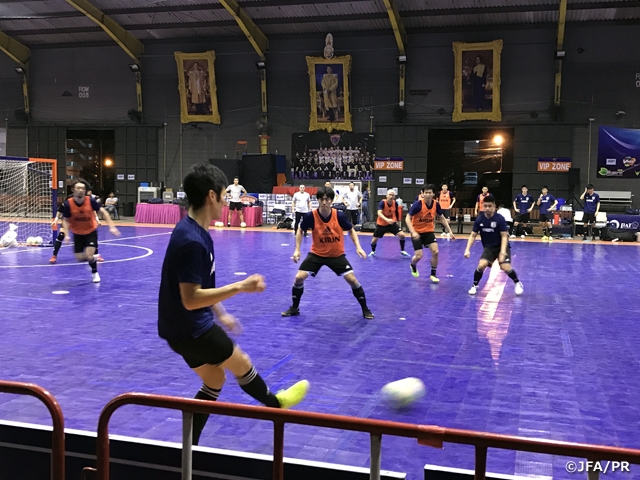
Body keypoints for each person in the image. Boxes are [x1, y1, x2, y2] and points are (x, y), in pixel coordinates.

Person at [158, 163, 309, 446]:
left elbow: (201, 287)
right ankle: (277, 404)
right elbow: (190, 299)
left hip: (175, 329)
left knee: (214, 380)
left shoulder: (195, 231)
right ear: (211, 196)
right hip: (192, 328)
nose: (228, 201)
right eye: (225, 194)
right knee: (242, 364)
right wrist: (240, 286)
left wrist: (221, 312)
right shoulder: (192, 240)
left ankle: (189, 444)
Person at [281, 186, 374, 319]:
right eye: (322, 199)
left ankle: (365, 309)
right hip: (317, 254)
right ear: (318, 200)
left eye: (327, 199)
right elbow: (300, 230)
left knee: (352, 280)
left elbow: (351, 230)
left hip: (336, 254)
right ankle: (295, 308)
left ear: (332, 200)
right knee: (298, 278)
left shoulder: (339, 215)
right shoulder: (311, 216)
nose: (324, 202)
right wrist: (297, 250)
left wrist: (358, 247)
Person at [463, 195, 524, 296]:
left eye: (489, 206)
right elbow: (473, 235)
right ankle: (474, 285)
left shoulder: (499, 219)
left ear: (494, 206)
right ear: (482, 206)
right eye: (485, 206)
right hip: (489, 248)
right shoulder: (479, 219)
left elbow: (504, 236)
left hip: (502, 246)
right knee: (481, 265)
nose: (487, 208)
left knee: (505, 267)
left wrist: (503, 252)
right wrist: (467, 249)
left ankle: (517, 283)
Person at [61, 180, 120, 282]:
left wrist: (111, 226)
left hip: (90, 231)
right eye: (78, 188)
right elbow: (65, 220)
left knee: (89, 255)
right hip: (77, 233)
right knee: (79, 258)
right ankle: (92, 261)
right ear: (73, 190)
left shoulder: (90, 201)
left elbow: (104, 212)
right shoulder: (68, 204)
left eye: (83, 188)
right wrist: (66, 234)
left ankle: (94, 272)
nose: (80, 190)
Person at [406, 184, 456, 283]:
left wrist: (450, 231)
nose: (428, 195)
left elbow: (442, 218)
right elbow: (407, 218)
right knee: (419, 256)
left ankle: (433, 275)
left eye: (430, 192)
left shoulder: (436, 204)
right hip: (417, 233)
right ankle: (413, 264)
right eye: (426, 193)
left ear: (433, 194)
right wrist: (413, 231)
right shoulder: (418, 204)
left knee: (436, 252)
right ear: (422, 194)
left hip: (429, 232)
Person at [369, 189, 410, 258]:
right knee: (374, 240)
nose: (391, 196)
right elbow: (379, 213)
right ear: (386, 196)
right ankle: (373, 251)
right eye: (390, 195)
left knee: (402, 235)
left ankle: (402, 251)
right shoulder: (382, 202)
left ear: (394, 197)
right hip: (382, 224)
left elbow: (396, 212)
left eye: (393, 195)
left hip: (391, 223)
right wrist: (386, 219)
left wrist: (397, 220)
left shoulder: (395, 203)